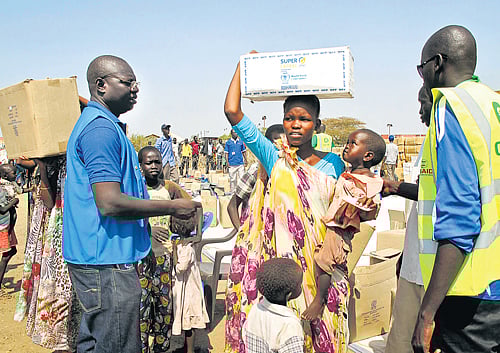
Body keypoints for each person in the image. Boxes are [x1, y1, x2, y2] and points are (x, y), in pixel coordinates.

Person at [63, 55, 200, 353]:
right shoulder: (100, 130)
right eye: (128, 82)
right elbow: (110, 203)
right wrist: (173, 207)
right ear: (101, 85)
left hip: (100, 258)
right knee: (116, 344)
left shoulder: (106, 126)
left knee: (97, 342)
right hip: (105, 263)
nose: (136, 89)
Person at [224, 57, 348, 353]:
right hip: (283, 271)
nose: (295, 125)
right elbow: (232, 110)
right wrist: (245, 64)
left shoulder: (333, 164)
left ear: (317, 125)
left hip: (322, 267)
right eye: (290, 118)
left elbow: (341, 218)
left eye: (304, 119)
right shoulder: (273, 157)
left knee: (323, 335)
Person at [412, 25, 500, 353]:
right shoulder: (493, 104)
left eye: (421, 69)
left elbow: (461, 217)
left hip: (472, 297)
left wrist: (427, 311)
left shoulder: (451, 107)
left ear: (436, 64)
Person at [302, 129, 385, 320]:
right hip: (333, 224)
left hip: (340, 229)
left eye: (352, 143)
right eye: (347, 141)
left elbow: (370, 208)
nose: (346, 146)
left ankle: (319, 300)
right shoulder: (350, 173)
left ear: (368, 155)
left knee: (325, 260)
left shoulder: (369, 180)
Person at [14, 157, 82, 352]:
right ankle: (65, 340)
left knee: (63, 289)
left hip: (61, 238)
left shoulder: (59, 166)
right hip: (58, 237)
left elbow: (50, 202)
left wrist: (42, 168)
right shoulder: (61, 163)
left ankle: (65, 340)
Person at [384, 86, 432, 353]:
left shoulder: (447, 141)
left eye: (423, 104)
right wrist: (406, 252)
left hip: (434, 266)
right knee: (401, 336)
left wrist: (393, 186)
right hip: (416, 259)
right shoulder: (430, 140)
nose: (420, 111)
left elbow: (432, 195)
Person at [138, 146, 176, 353]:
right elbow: (128, 219)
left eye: (157, 162)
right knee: (142, 309)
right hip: (141, 258)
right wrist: (148, 229)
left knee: (163, 307)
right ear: (140, 165)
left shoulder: (169, 188)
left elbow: (192, 208)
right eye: (148, 162)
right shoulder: (135, 190)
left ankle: (161, 348)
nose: (153, 166)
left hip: (164, 258)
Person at [227, 124, 284, 229]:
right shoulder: (256, 171)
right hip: (254, 231)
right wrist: (241, 233)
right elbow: (232, 206)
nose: (281, 147)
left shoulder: (289, 170)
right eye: (277, 142)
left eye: (284, 143)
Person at [243, 258, 304, 353]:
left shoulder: (255, 310)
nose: (301, 287)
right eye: (299, 285)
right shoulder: (290, 324)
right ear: (289, 294)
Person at [171, 217, 210, 353]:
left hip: (189, 291)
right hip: (185, 289)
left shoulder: (186, 248)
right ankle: (187, 347)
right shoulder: (186, 244)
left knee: (189, 322)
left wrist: (174, 253)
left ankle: (190, 350)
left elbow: (180, 268)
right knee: (185, 321)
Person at [0, 164, 19, 292]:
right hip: (3, 227)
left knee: (12, 251)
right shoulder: (1, 189)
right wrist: (14, 201)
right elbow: (2, 209)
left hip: (8, 226)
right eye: (13, 174)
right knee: (6, 254)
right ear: (5, 175)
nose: (15, 175)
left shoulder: (6, 186)